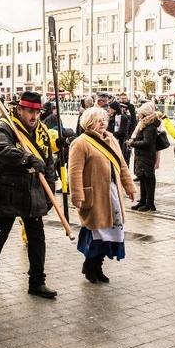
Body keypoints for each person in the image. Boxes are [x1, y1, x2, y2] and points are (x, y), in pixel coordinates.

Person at [0, 91, 57, 299]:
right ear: (19, 109)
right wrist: (26, 158)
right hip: (8, 190)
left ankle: (37, 282)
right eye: (30, 111)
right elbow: (1, 149)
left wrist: (49, 191)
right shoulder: (4, 127)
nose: (34, 116)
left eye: (37, 112)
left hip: (33, 192)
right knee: (0, 234)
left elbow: (48, 164)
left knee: (37, 238)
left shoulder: (42, 131)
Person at [69, 107, 136, 283]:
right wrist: (77, 195)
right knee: (97, 234)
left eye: (104, 120)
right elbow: (74, 172)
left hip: (112, 194)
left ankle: (97, 266)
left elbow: (121, 165)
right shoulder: (80, 143)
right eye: (98, 120)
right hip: (95, 196)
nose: (103, 123)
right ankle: (90, 267)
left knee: (111, 235)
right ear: (89, 122)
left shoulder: (111, 139)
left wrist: (130, 187)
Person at [128, 102, 162, 212]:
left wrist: (132, 144)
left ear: (144, 114)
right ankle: (143, 201)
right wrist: (134, 141)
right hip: (142, 155)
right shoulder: (145, 125)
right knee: (142, 178)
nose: (138, 114)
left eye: (140, 113)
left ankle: (150, 203)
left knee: (147, 179)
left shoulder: (149, 126)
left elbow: (147, 142)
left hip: (146, 155)